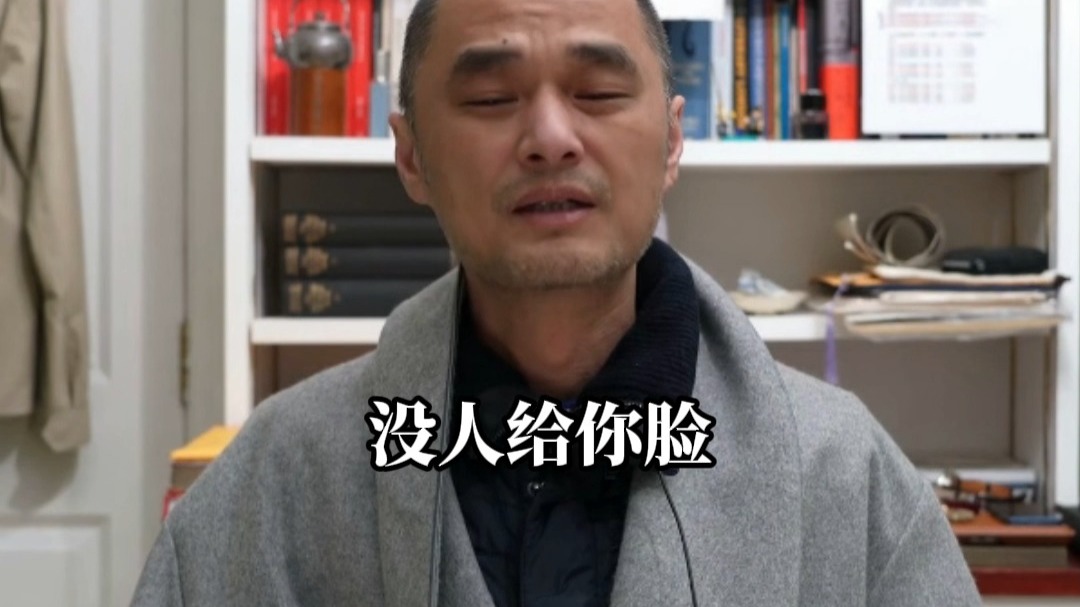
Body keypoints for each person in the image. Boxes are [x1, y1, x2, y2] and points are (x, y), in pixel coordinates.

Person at [132, 0, 982, 604]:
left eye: (599, 92)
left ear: (673, 140)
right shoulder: (281, 477)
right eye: (490, 99)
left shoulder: (844, 474)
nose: (549, 137)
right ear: (412, 155)